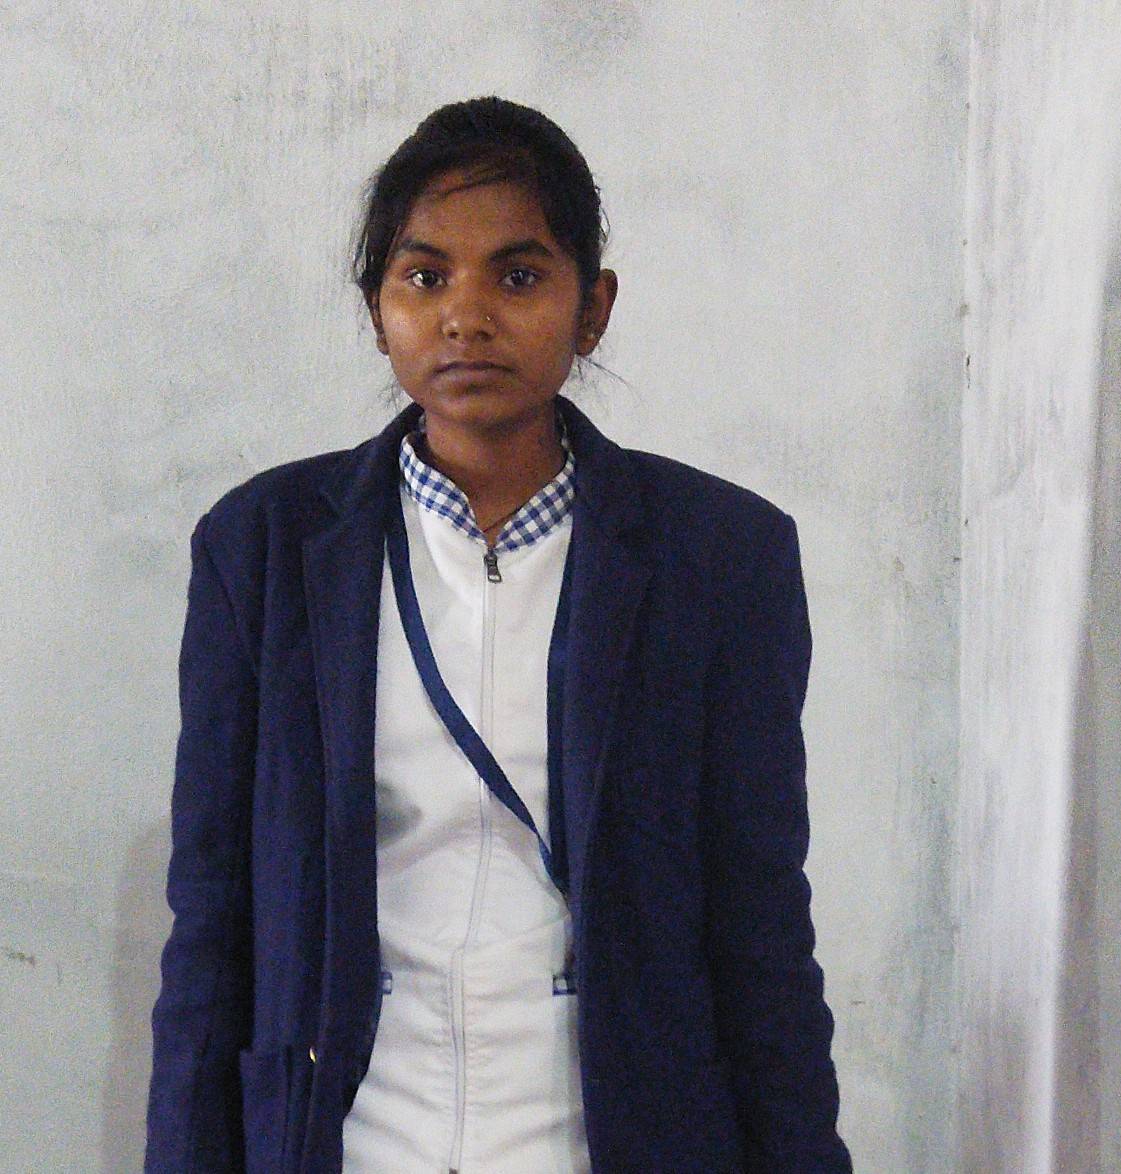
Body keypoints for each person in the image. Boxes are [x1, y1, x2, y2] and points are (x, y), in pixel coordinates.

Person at [145, 95, 852, 1173]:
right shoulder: (264, 549)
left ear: (592, 308)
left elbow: (760, 924)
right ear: (376, 308)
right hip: (351, 1135)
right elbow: (212, 920)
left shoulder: (720, 558)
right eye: (424, 276)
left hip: (604, 1139)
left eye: (517, 276)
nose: (465, 315)